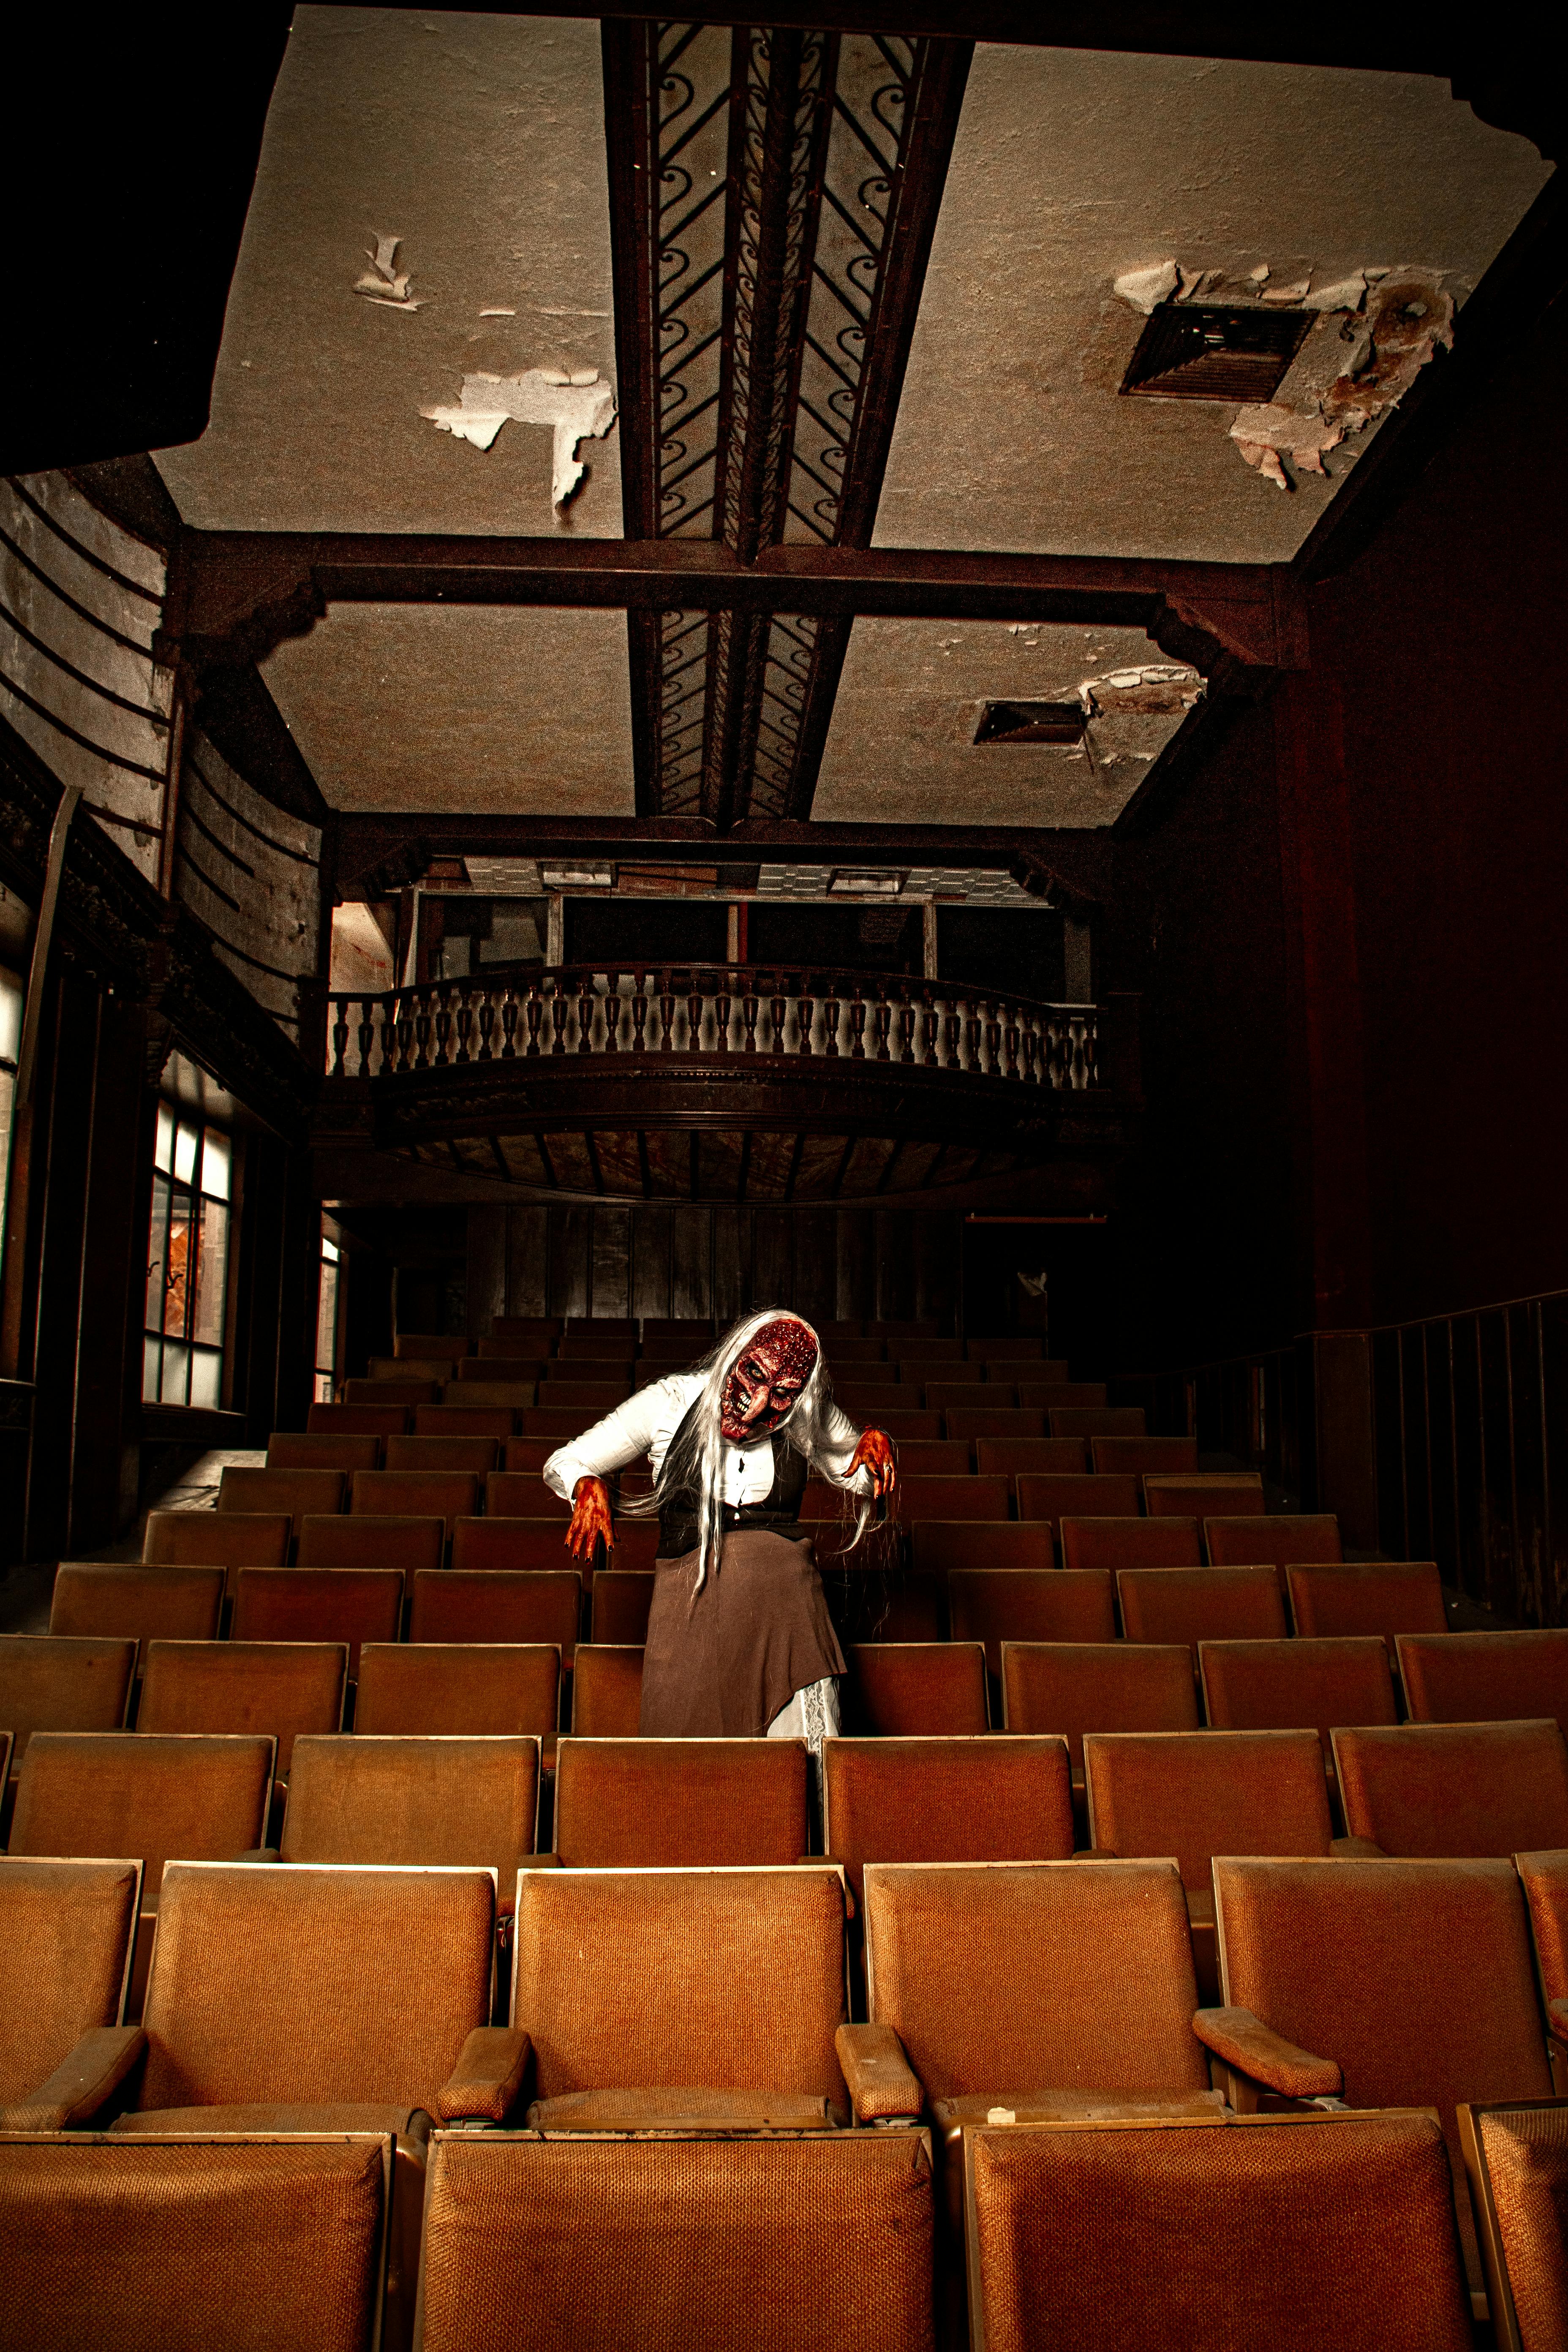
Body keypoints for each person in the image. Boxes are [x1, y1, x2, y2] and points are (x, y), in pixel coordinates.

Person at [543, 1309, 896, 1747]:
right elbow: (564, 1461)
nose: (762, 1403)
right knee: (688, 1764)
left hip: (789, 1614)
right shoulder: (669, 1400)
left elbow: (861, 1477)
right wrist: (585, 1483)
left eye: (783, 1394)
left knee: (798, 1762)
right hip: (691, 1608)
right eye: (753, 1375)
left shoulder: (804, 1413)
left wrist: (873, 1444)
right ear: (735, 1353)